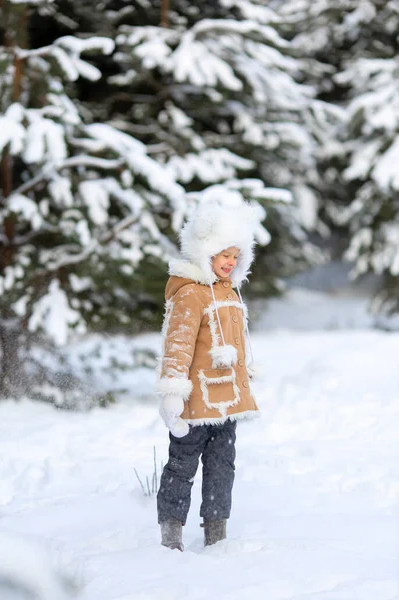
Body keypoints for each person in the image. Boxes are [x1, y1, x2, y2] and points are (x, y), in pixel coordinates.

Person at [156, 198, 260, 551]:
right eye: (223, 254)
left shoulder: (230, 292)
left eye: (235, 255)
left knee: (222, 467)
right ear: (205, 251)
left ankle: (216, 534)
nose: (230, 262)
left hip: (227, 403)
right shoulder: (191, 295)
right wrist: (172, 391)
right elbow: (178, 344)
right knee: (182, 466)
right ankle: (171, 535)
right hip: (195, 402)